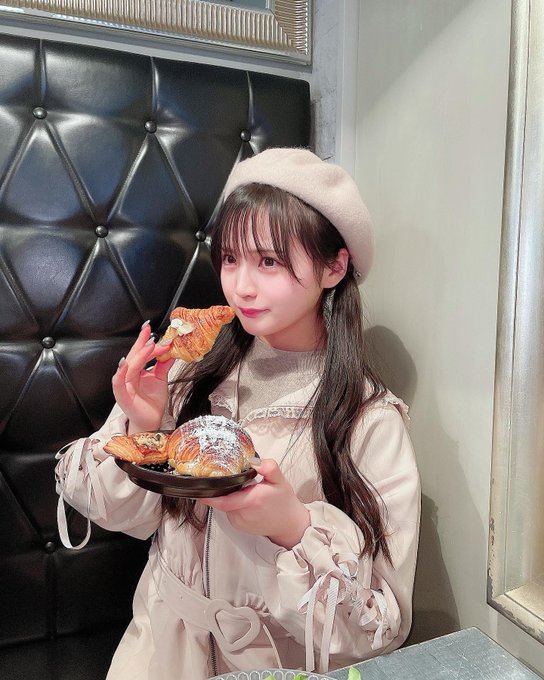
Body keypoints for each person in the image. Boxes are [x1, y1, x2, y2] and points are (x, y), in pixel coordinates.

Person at [55, 147, 420, 680]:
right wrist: (143, 426)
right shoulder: (189, 371)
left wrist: (292, 528)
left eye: (268, 261)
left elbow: (380, 628)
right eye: (230, 258)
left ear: (333, 266)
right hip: (159, 651)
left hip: (273, 665)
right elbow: (114, 512)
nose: (241, 286)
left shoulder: (368, 420)